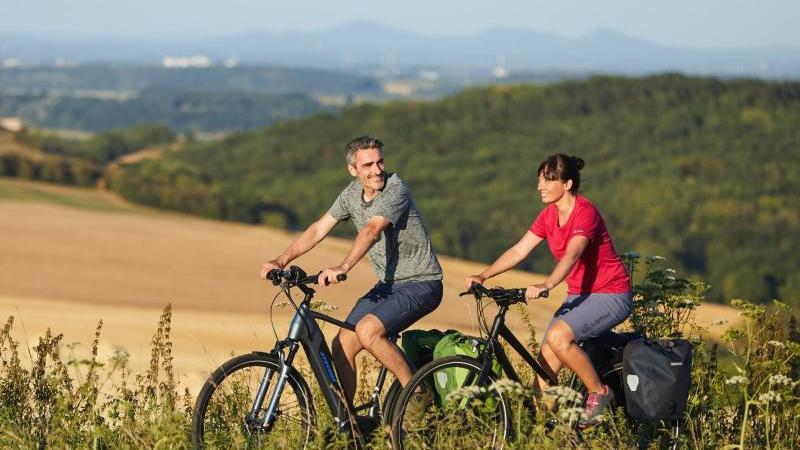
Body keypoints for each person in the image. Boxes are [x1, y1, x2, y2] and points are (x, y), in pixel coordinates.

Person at [260, 135, 443, 409]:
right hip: (388, 285)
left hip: (422, 283)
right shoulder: (350, 195)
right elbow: (318, 229)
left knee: (367, 331)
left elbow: (371, 230)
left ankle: (418, 395)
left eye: (380, 162)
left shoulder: (396, 189)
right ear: (353, 170)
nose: (377, 170)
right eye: (368, 165)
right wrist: (281, 260)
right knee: (343, 342)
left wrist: (343, 266)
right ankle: (347, 424)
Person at [464, 154, 632, 427]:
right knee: (543, 371)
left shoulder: (584, 212)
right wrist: (483, 275)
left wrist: (547, 284)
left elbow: (572, 254)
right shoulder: (548, 215)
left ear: (567, 184)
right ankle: (545, 433)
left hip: (611, 294)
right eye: (539, 179)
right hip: (580, 296)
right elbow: (519, 250)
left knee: (557, 336)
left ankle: (600, 393)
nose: (540, 186)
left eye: (548, 179)